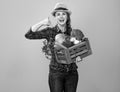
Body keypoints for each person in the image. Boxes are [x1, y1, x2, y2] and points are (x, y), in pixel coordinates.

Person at [25, 3, 85, 92]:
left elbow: (78, 50)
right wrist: (43, 23)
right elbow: (29, 35)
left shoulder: (73, 33)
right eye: (58, 14)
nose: (61, 16)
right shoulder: (50, 32)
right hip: (56, 73)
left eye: (63, 14)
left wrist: (79, 57)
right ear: (55, 17)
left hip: (72, 73)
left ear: (67, 16)